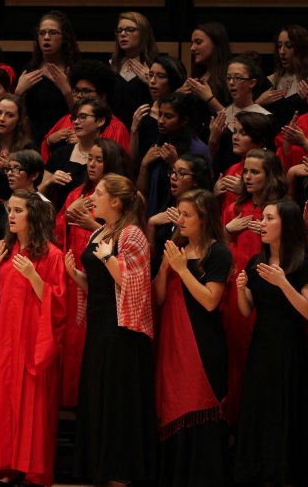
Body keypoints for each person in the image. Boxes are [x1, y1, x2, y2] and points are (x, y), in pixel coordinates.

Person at [66, 174, 157, 485]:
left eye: (100, 193)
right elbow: (98, 284)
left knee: (118, 400)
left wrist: (107, 257)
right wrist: (77, 274)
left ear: (116, 201)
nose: (93, 198)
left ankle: (120, 472)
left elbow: (133, 284)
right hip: (99, 325)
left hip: (123, 332)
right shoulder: (102, 231)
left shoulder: (132, 235)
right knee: (99, 396)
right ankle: (101, 470)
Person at [0, 190, 66, 487]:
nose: (10, 216)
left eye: (18, 211)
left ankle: (30, 470)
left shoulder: (51, 254)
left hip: (32, 341)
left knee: (31, 405)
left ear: (34, 215)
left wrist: (34, 278)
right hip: (4, 339)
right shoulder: (4, 249)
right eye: (9, 211)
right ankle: (7, 465)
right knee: (3, 405)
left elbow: (59, 305)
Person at [154, 189, 231, 487]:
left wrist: (182, 270)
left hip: (203, 344)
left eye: (187, 215)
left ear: (204, 218)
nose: (180, 220)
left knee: (201, 408)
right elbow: (159, 298)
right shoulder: (175, 249)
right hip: (172, 342)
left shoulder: (218, 252)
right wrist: (164, 267)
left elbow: (211, 300)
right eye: (179, 214)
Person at [233, 198, 308, 485]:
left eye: (268, 218)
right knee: (260, 406)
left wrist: (283, 283)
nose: (261, 223)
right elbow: (246, 309)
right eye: (262, 218)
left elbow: (305, 310)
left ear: (286, 224)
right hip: (261, 345)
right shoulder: (256, 262)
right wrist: (241, 290)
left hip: (290, 347)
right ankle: (259, 468)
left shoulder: (301, 262)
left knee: (284, 406)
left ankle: (284, 472)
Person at [53, 138, 128, 407]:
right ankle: (70, 401)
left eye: (99, 159)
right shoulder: (77, 194)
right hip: (77, 275)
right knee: (72, 339)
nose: (92, 164)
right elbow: (59, 231)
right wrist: (66, 217)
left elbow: (126, 234)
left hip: (107, 280)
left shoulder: (125, 198)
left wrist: (90, 223)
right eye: (90, 159)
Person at [220, 148, 286, 424]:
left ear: (269, 175)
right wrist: (226, 231)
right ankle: (234, 423)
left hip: (268, 295)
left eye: (254, 171)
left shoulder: (280, 210)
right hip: (235, 291)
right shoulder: (233, 209)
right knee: (234, 358)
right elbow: (218, 254)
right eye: (245, 171)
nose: (246, 176)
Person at [41, 59, 130, 161]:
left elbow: (119, 165)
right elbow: (45, 153)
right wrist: (48, 141)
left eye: (86, 91)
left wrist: (85, 145)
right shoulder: (66, 119)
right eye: (77, 91)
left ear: (102, 96)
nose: (79, 96)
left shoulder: (117, 128)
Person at [15, 10, 80, 145]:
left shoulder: (74, 70)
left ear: (64, 38)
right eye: (42, 33)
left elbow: (82, 115)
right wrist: (18, 93)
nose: (46, 37)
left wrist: (67, 91)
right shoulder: (29, 69)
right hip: (32, 139)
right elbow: (16, 113)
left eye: (53, 32)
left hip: (65, 139)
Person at [39, 98, 112, 209]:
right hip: (62, 221)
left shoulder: (110, 153)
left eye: (83, 117)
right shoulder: (61, 153)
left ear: (100, 121)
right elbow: (38, 196)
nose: (76, 122)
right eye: (74, 118)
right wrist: (50, 182)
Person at [207, 53, 271, 174]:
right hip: (221, 178)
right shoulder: (220, 116)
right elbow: (210, 159)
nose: (231, 82)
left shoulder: (264, 117)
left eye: (238, 78)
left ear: (252, 83)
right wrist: (213, 140)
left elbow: (269, 161)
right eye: (228, 77)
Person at [109, 11, 159, 123]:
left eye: (130, 30)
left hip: (145, 128)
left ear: (144, 34)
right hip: (115, 131)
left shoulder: (156, 66)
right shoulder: (111, 67)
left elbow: (168, 103)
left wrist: (150, 82)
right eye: (119, 30)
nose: (122, 34)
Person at [259, 23, 308, 126]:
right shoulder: (270, 82)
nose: (282, 51)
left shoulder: (306, 83)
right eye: (279, 46)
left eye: (288, 46)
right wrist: (258, 103)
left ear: (301, 49)